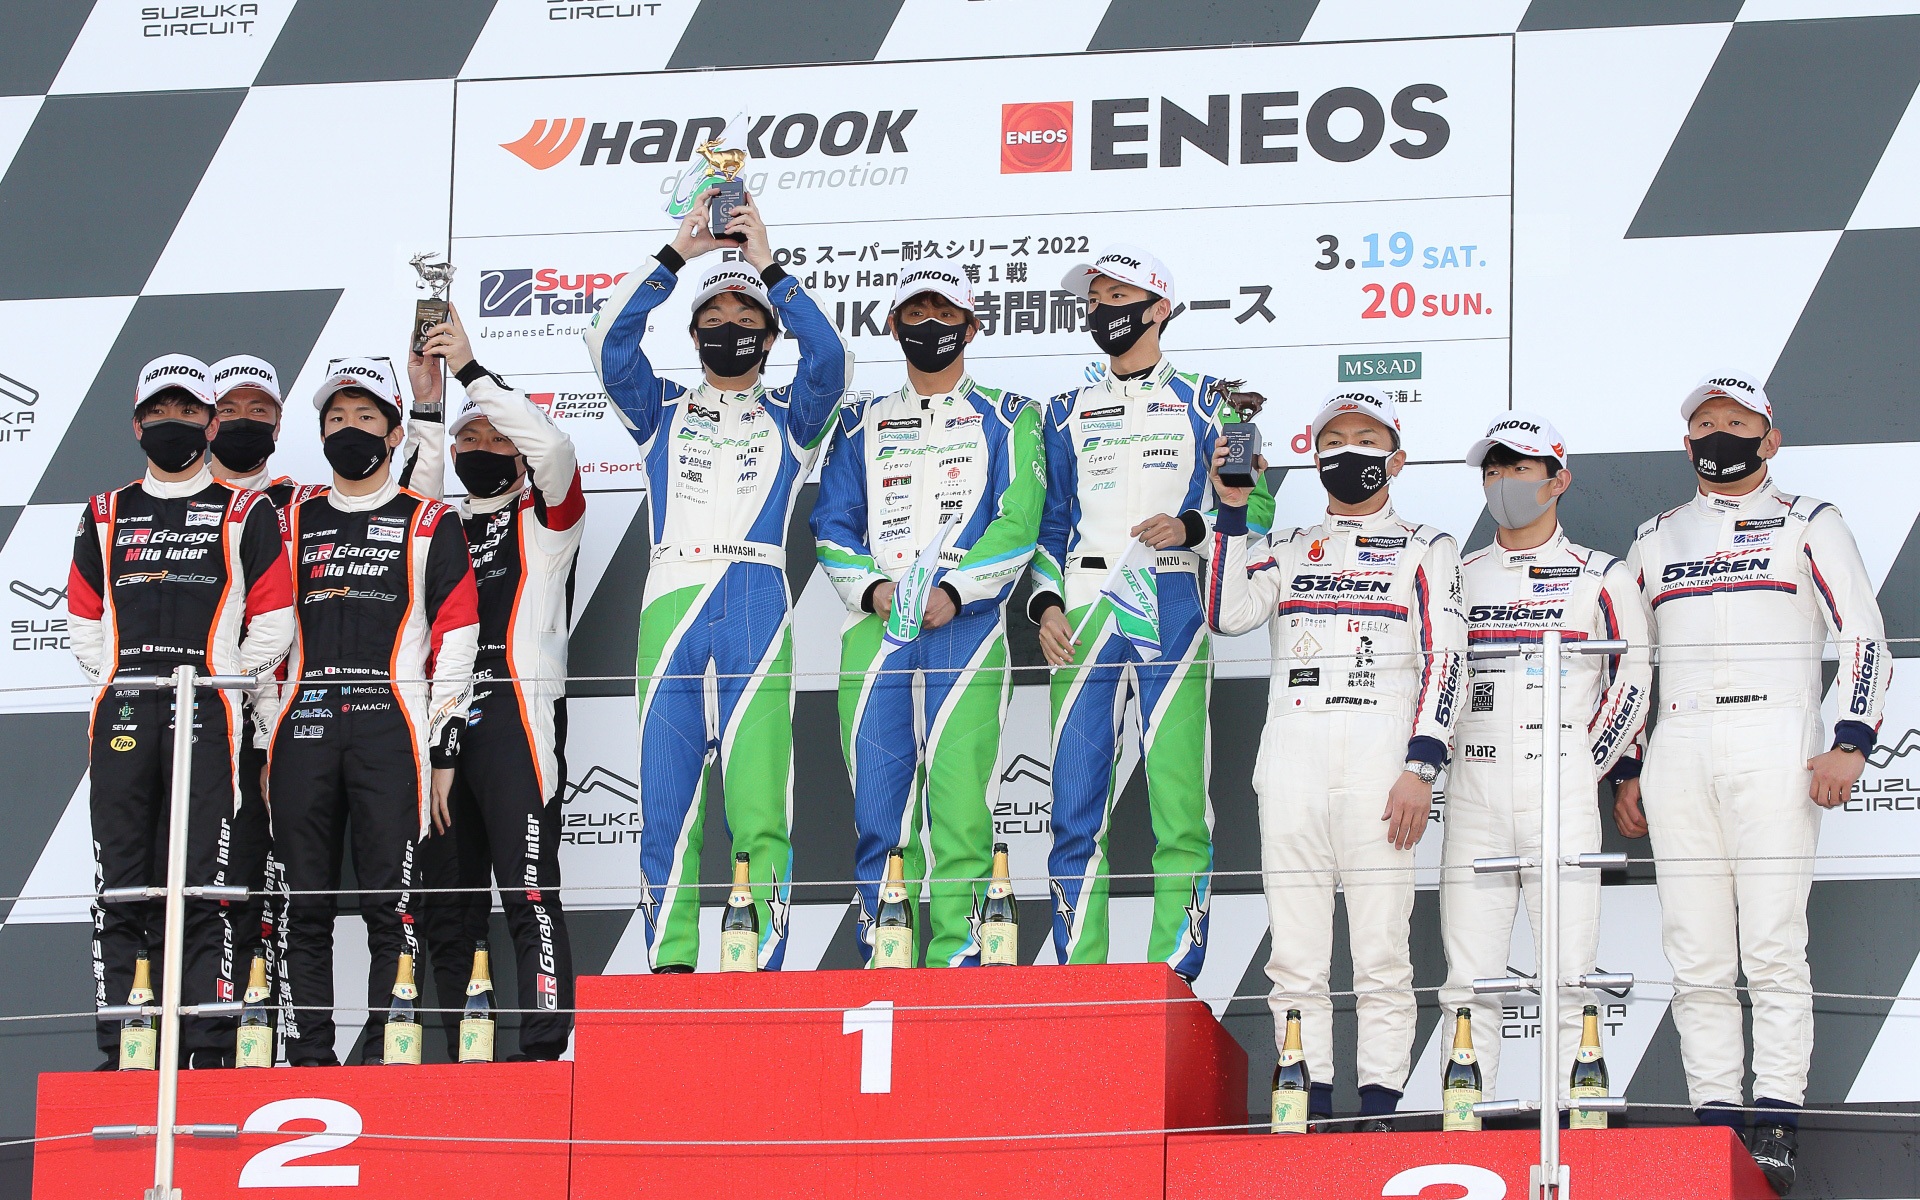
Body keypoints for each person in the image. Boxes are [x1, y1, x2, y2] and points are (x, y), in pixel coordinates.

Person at [1615, 372, 1889, 1192]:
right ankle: (1715, 1125)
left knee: (1772, 943)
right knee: (1694, 948)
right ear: (1686, 443)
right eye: (1706, 424)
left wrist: (1851, 740)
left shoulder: (1810, 521)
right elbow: (1629, 660)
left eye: (1737, 423)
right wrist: (1629, 764)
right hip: (1679, 743)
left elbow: (1863, 635)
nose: (1719, 436)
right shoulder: (1655, 536)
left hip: (1776, 736)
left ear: (1770, 439)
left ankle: (1776, 1121)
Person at [585, 193, 847, 971]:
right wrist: (678, 254)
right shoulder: (660, 407)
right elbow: (607, 342)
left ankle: (758, 961)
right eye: (713, 318)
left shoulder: (794, 413)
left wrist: (766, 263)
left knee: (759, 799)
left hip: (758, 595)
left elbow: (830, 359)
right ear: (693, 333)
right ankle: (669, 963)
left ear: (769, 334)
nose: (729, 329)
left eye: (746, 318)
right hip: (671, 594)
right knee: (666, 796)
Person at [1205, 387, 1466, 1130]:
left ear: (1397, 459)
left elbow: (1447, 658)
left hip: (1382, 764)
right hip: (1291, 756)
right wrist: (1231, 512)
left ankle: (1378, 1108)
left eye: (1365, 440)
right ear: (1314, 457)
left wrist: (1421, 766)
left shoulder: (1426, 545)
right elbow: (1226, 614)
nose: (1348, 452)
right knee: (1295, 951)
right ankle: (1308, 1105)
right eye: (1333, 441)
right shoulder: (1287, 545)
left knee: (1382, 949)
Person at [1029, 243, 1272, 981]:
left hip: (1170, 599)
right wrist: (1045, 605)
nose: (1102, 308)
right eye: (1094, 298)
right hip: (1084, 608)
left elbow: (1257, 508)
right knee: (1073, 803)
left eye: (1117, 295)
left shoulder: (1208, 402)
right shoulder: (1064, 411)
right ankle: (1079, 973)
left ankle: (1174, 972)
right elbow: (1049, 524)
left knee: (1177, 797)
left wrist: (1192, 527)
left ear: (1158, 308)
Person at [811, 267, 1043, 967]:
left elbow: (1019, 519)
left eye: (944, 312)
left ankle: (961, 964)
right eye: (915, 313)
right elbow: (832, 521)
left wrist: (959, 592)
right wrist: (874, 590)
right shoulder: (859, 420)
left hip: (965, 627)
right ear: (893, 327)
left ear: (972, 327)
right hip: (876, 627)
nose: (929, 324)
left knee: (960, 805)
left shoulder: (1012, 415)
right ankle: (885, 960)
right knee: (879, 810)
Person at [67, 353, 293, 1068]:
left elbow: (275, 623)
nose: (174, 422)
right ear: (137, 426)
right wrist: (119, 678)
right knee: (122, 885)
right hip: (125, 714)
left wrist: (225, 682)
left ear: (210, 423)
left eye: (189, 410)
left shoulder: (247, 510)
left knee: (207, 885)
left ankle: (208, 1049)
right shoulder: (104, 512)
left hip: (210, 717)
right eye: (159, 411)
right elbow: (83, 622)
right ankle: (123, 1046)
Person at [261, 357, 477, 1065]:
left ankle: (391, 1056)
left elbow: (458, 639)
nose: (348, 429)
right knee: (303, 907)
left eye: (364, 417)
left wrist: (442, 751)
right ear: (319, 433)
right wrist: (265, 735)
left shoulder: (430, 521)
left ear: (392, 434)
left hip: (393, 731)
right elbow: (261, 633)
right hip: (303, 729)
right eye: (335, 418)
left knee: (394, 907)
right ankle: (308, 1058)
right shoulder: (287, 519)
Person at [1439, 411, 1650, 1106]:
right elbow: (1432, 677)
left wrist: (1582, 763)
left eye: (1520, 468)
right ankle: (1466, 1124)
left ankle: (1577, 1123)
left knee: (1569, 973)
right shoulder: (1458, 577)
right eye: (1494, 470)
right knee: (1468, 979)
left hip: (1562, 790)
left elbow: (1634, 679)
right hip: (1473, 793)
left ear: (1558, 481)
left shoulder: (1602, 574)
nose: (1503, 481)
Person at [407, 307, 585, 1058]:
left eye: (495, 438)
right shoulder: (433, 525)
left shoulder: (547, 522)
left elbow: (558, 449)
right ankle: (461, 1053)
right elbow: (408, 494)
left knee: (529, 889)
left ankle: (542, 1049)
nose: (480, 447)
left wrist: (472, 374)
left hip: (517, 723)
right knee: (446, 906)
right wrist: (427, 405)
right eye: (467, 439)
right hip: (439, 727)